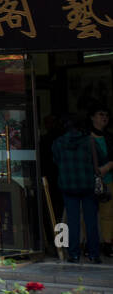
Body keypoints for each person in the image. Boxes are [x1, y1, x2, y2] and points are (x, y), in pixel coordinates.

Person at [52, 107, 107, 264]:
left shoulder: (58, 143)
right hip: (88, 184)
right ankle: (94, 254)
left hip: (68, 185)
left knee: (73, 220)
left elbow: (56, 161)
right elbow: (102, 159)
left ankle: (74, 254)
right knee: (91, 220)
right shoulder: (90, 141)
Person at [87, 104, 113, 256]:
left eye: (106, 115)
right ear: (92, 117)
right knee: (88, 214)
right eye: (100, 114)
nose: (104, 117)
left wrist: (108, 166)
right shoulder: (86, 137)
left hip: (108, 179)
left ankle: (107, 243)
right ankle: (88, 244)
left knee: (107, 213)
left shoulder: (109, 137)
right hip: (89, 181)